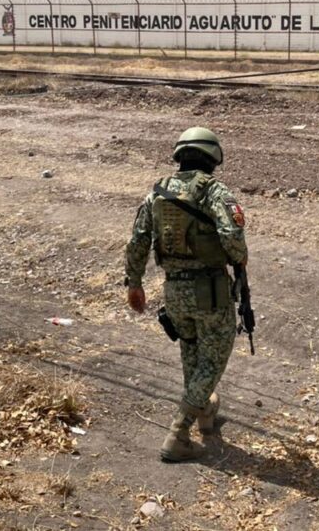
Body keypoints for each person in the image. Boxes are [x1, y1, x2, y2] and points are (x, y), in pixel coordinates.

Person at [124, 127, 248, 462]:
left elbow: (137, 240)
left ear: (180, 156)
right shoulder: (215, 191)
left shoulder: (158, 194)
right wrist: (239, 258)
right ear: (213, 158)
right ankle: (178, 434)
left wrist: (134, 283)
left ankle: (204, 411)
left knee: (191, 352)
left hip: (174, 291)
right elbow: (232, 237)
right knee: (212, 359)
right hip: (209, 291)